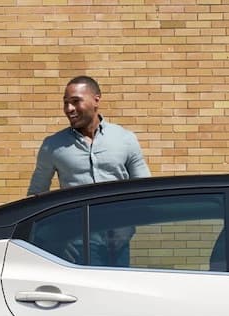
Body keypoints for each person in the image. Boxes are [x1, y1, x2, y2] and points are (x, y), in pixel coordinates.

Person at [28, 76, 150, 266]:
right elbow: (35, 198)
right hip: (76, 246)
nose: (69, 109)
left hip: (118, 243)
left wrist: (129, 228)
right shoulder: (52, 146)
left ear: (96, 100)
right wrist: (56, 240)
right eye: (66, 103)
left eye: (76, 101)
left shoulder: (125, 139)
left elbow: (144, 190)